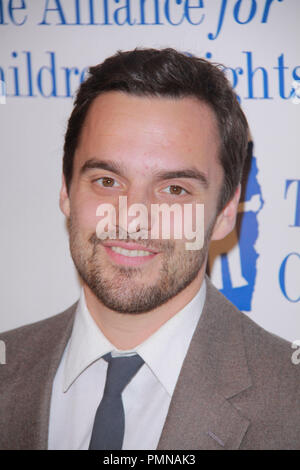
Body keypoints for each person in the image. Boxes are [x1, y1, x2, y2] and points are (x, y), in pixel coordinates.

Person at [0, 48, 299, 451]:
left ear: (226, 212)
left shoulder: (289, 400)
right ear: (67, 191)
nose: (133, 218)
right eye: (107, 181)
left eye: (174, 189)